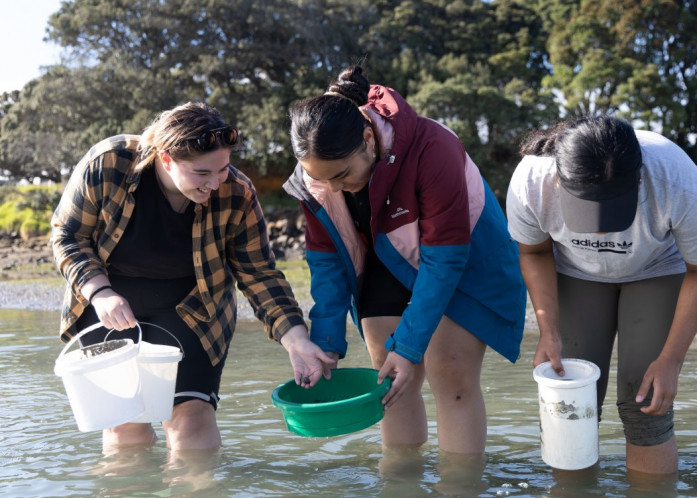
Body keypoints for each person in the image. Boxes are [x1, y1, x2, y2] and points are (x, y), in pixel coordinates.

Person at [51, 102, 336, 451]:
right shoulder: (108, 164)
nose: (216, 183)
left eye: (223, 169)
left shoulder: (237, 192)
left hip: (193, 310)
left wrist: (296, 340)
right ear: (166, 158)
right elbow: (67, 235)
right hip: (108, 302)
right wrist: (99, 292)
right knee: (125, 427)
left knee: (191, 421)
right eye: (202, 174)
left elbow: (258, 273)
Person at [284, 65, 527, 455]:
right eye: (321, 179)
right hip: (382, 257)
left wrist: (411, 346)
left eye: (343, 175)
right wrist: (325, 343)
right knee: (391, 378)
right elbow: (327, 261)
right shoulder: (316, 174)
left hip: (460, 259)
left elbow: (444, 262)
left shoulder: (433, 147)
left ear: (368, 138)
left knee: (451, 375)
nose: (333, 188)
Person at [506, 115, 697, 474]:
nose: (599, 235)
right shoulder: (532, 180)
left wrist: (671, 359)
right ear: (559, 179)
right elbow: (533, 252)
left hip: (656, 270)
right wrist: (547, 330)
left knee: (645, 405)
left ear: (640, 179)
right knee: (570, 403)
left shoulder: (676, 179)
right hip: (575, 273)